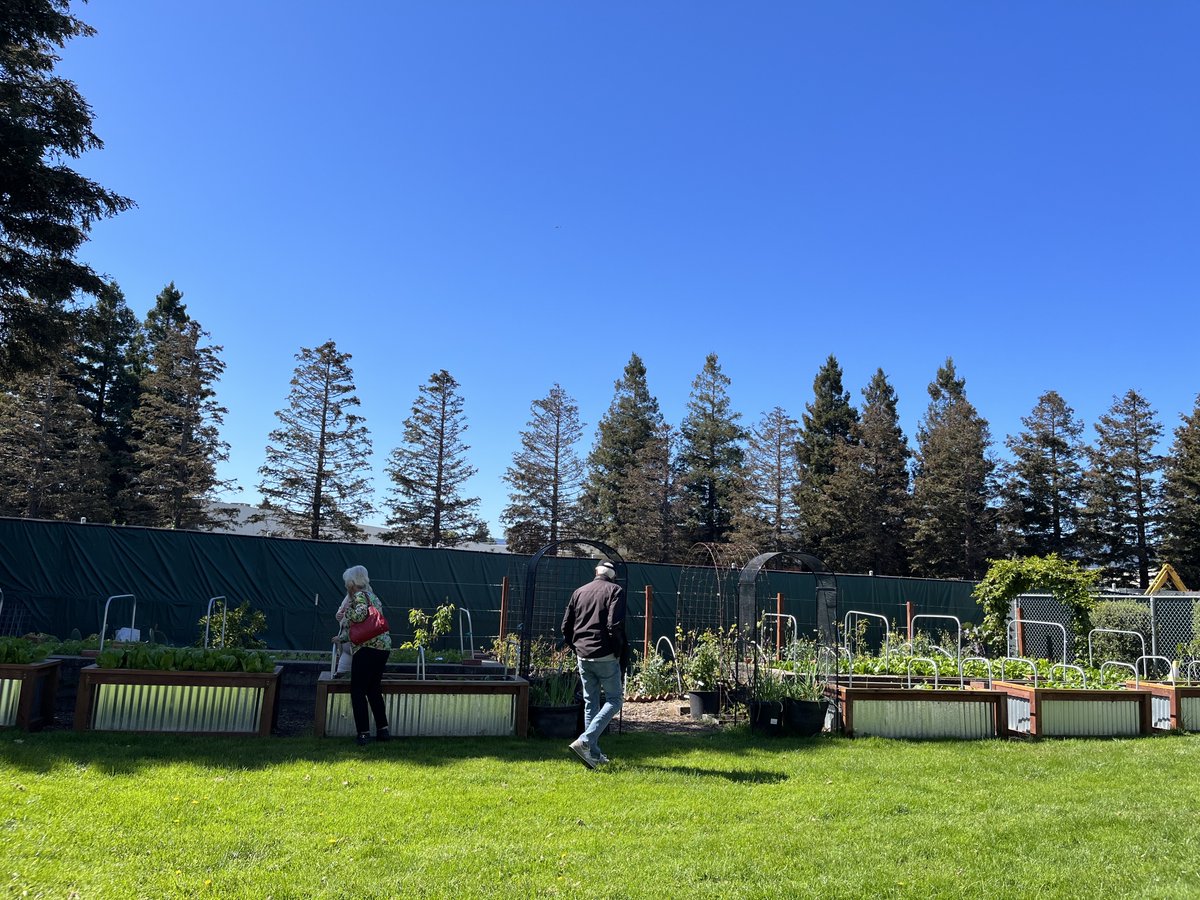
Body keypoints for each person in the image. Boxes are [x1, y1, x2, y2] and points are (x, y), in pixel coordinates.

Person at [561, 559, 628, 768]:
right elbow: (613, 625)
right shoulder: (615, 590)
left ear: (596, 571)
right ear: (612, 575)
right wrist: (617, 651)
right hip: (605, 654)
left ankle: (594, 754)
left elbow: (565, 626)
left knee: (591, 703)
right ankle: (586, 741)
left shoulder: (579, 592)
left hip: (583, 655)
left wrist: (576, 647)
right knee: (615, 700)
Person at [342, 565, 391, 746]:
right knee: (373, 689)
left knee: (357, 690)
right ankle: (383, 730)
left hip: (367, 648)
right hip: (382, 647)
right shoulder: (374, 596)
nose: (346, 585)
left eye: (347, 582)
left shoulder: (359, 596)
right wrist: (341, 637)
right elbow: (369, 625)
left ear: (352, 582)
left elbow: (360, 616)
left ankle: (363, 733)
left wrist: (347, 611)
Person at [332, 593, 354, 677]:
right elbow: (341, 609)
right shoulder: (349, 596)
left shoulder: (365, 597)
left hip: (360, 649)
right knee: (341, 676)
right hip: (346, 649)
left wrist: (341, 638)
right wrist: (338, 615)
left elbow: (361, 626)